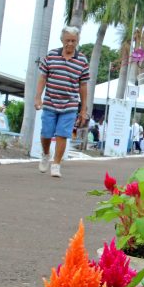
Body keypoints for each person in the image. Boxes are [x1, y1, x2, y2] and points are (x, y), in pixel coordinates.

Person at [35, 26, 89, 178]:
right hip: (50, 101)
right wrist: (38, 97)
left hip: (70, 104)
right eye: (67, 40)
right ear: (62, 40)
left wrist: (83, 109)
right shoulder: (52, 55)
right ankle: (46, 154)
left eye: (73, 41)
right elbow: (43, 77)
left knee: (62, 135)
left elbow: (83, 86)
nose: (70, 44)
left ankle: (56, 164)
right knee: (46, 133)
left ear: (77, 41)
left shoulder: (82, 60)